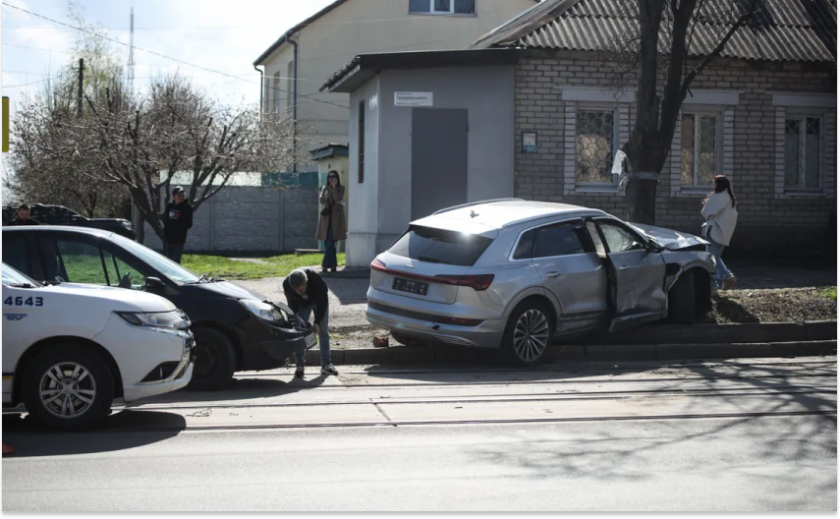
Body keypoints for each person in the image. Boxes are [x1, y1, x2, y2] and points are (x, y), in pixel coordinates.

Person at [282, 268, 338, 379]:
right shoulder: (287, 285)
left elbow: (323, 302)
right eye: (296, 290)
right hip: (302, 304)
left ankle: (326, 365)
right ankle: (300, 365)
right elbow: (292, 306)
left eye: (301, 288)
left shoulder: (316, 280)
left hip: (318, 301)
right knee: (300, 331)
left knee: (323, 331)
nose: (299, 291)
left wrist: (317, 322)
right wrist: (296, 321)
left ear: (306, 282)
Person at [701, 175, 738, 291]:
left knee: (710, 257)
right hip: (723, 232)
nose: (713, 186)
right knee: (715, 256)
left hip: (714, 230)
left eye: (714, 183)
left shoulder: (719, 196)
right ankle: (726, 276)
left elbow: (706, 210)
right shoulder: (729, 198)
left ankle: (714, 283)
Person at [316, 171, 347, 274]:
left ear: (337, 177)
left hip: (336, 218)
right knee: (327, 242)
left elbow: (338, 199)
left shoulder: (341, 188)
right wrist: (326, 194)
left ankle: (325, 265)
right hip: (326, 218)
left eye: (333, 177)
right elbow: (321, 199)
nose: (331, 179)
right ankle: (333, 265)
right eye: (329, 177)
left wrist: (334, 189)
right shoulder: (325, 188)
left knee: (331, 242)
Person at [161, 186, 193, 264]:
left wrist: (179, 228)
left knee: (176, 260)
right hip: (169, 239)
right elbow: (167, 221)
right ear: (173, 197)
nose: (181, 197)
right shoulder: (170, 206)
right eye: (179, 196)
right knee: (168, 261)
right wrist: (166, 234)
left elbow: (189, 224)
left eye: (183, 195)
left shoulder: (187, 208)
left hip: (179, 239)